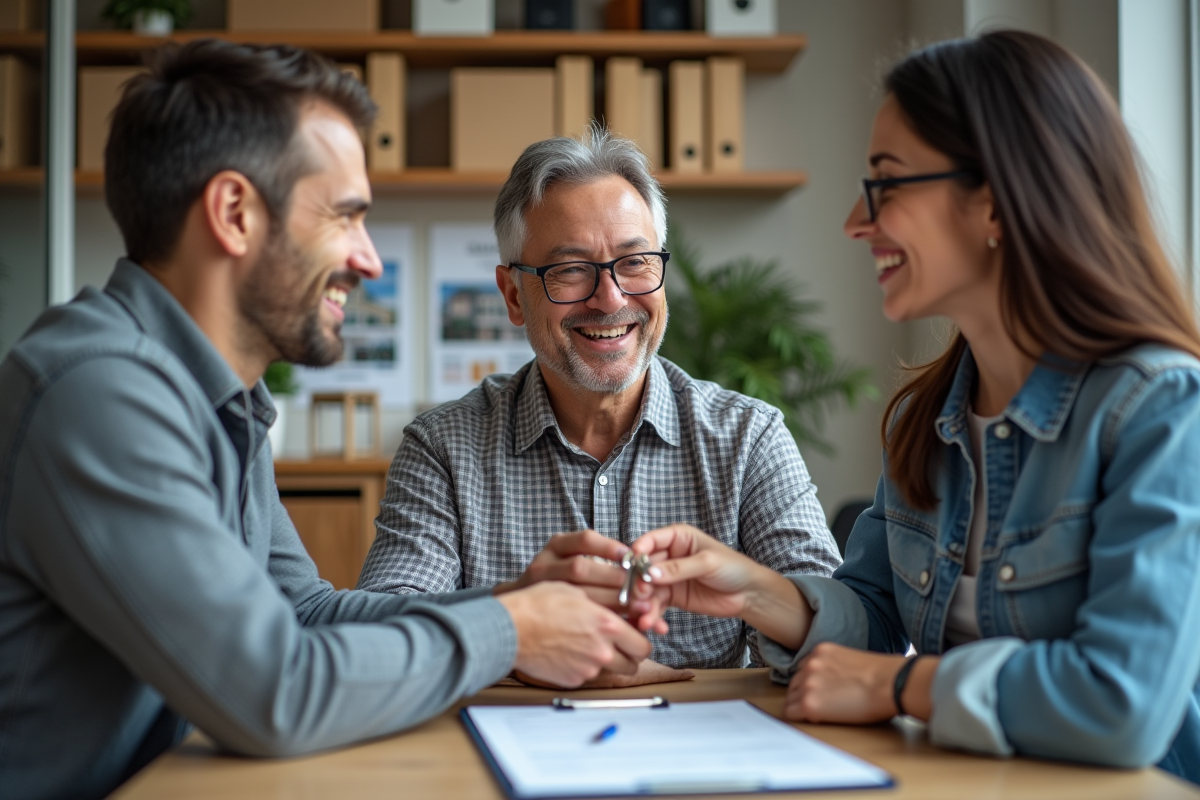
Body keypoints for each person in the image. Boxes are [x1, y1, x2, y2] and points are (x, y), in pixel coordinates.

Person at [0, 40, 654, 800]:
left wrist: (513, 604)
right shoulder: (100, 392)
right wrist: (515, 631)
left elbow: (303, 612)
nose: (369, 259)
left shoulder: (216, 398)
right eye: (345, 215)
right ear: (235, 213)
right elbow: (275, 691)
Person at [627, 30, 1200, 783]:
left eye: (886, 184)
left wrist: (900, 685)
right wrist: (755, 592)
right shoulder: (928, 420)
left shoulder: (1160, 412)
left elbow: (1123, 703)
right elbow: (876, 616)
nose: (856, 224)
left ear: (994, 201)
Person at [355, 127, 841, 677]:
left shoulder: (749, 437)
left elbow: (841, 638)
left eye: (635, 263)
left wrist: (754, 594)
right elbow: (381, 640)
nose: (610, 299)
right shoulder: (443, 447)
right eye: (570, 270)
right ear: (514, 295)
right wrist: (516, 619)